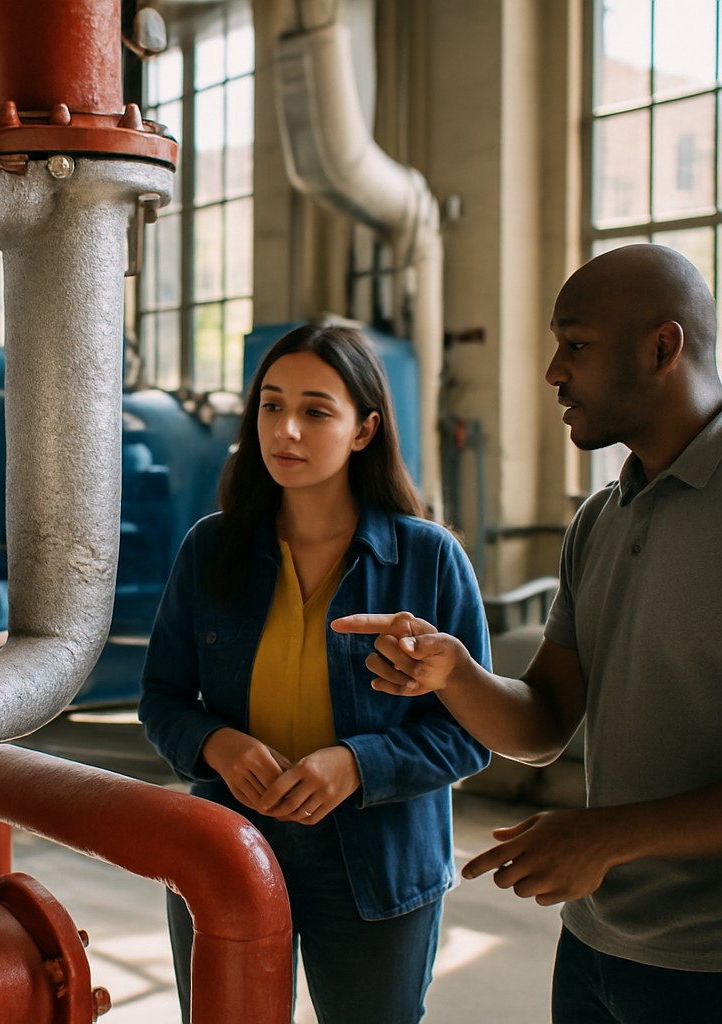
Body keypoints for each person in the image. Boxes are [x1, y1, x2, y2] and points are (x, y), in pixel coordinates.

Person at [333, 243, 722, 1022]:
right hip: (596, 947)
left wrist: (606, 838)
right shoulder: (599, 522)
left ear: (662, 347)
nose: (552, 372)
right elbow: (545, 721)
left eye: (574, 345)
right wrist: (457, 674)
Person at [138, 323, 491, 1024]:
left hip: (376, 862)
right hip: (230, 844)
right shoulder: (211, 550)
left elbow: (470, 734)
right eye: (271, 406)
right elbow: (163, 698)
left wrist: (356, 765)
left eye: (315, 411)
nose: (286, 429)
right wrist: (217, 745)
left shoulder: (428, 560)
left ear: (364, 430)